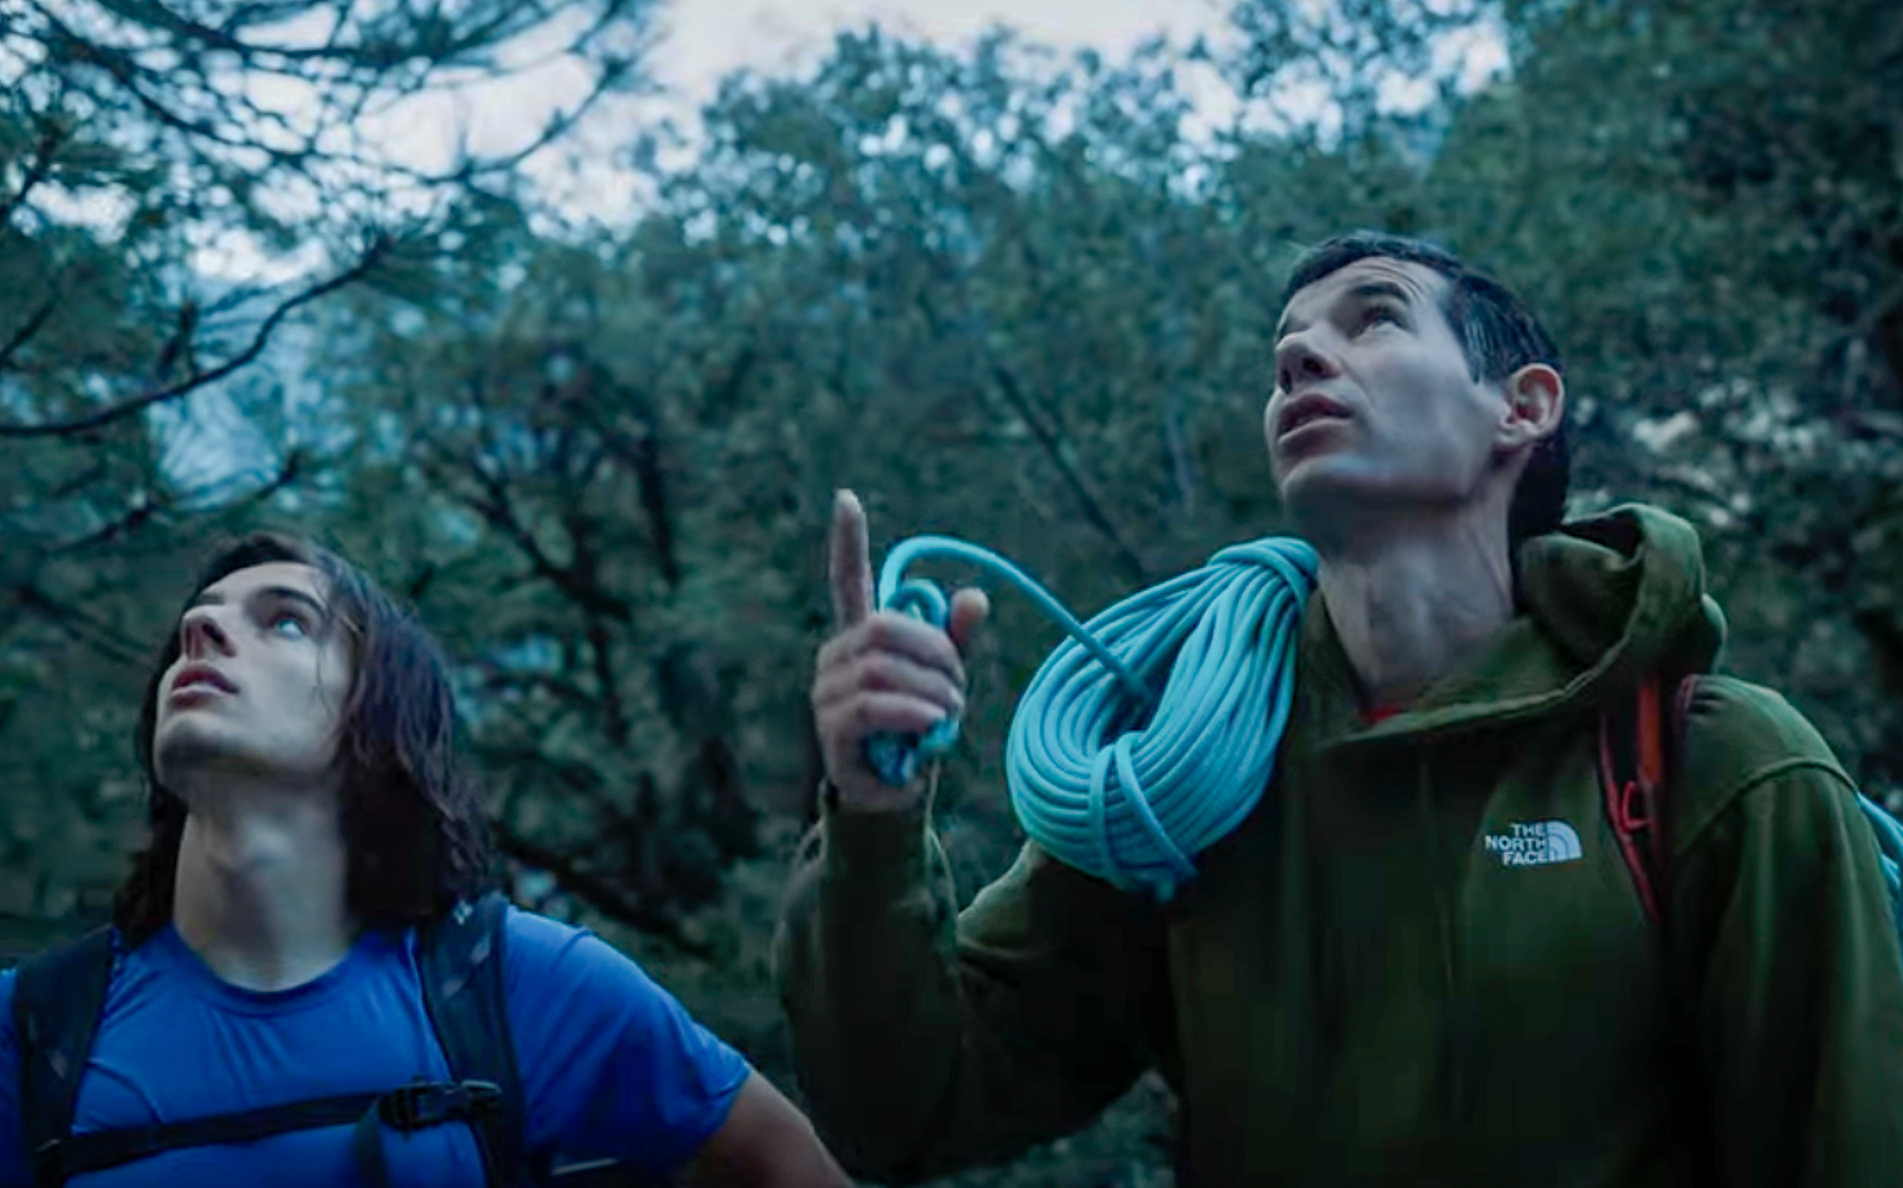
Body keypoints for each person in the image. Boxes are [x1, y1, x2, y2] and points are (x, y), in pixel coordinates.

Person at [778, 231, 1903, 1185]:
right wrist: (873, 816)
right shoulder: (1190, 773)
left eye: (1372, 320)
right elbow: (907, 1106)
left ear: (1519, 408)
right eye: (1284, 353)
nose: (1299, 353)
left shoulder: (1715, 766)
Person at [0, 533, 849, 1187]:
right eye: (201, 617)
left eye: (284, 620)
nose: (201, 629)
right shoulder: (26, 1039)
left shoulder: (521, 990)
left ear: (375, 724)